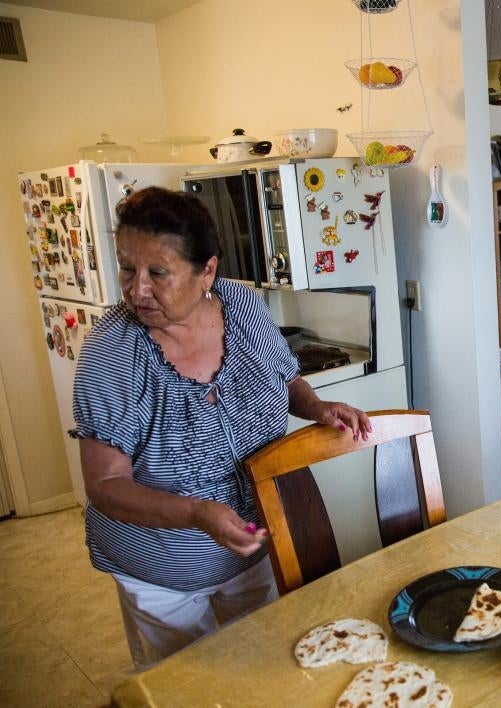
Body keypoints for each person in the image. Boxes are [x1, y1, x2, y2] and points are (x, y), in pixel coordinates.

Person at [71, 186, 373, 667]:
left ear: (206, 270)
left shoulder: (242, 304)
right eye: (128, 269)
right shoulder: (111, 352)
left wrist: (317, 407)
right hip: (163, 569)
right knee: (182, 687)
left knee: (262, 667)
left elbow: (284, 376)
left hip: (255, 541)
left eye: (158, 273)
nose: (137, 289)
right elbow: (105, 485)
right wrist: (196, 513)